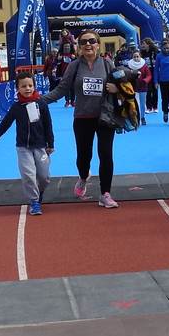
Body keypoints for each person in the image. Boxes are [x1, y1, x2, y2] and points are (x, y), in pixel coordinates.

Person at [40, 30, 121, 208]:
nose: (88, 44)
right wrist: (39, 100)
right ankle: (83, 177)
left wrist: (116, 89)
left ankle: (105, 194)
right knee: (84, 156)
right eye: (84, 42)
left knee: (106, 155)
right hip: (83, 117)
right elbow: (61, 89)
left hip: (105, 118)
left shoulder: (107, 64)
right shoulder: (74, 66)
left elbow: (122, 85)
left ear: (98, 44)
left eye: (92, 41)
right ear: (79, 46)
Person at [0, 74, 55, 215]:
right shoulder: (16, 107)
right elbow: (6, 122)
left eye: (30, 86)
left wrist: (51, 143)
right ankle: (34, 201)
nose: (27, 88)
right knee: (28, 175)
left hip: (41, 146)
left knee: (44, 177)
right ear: (17, 88)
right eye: (23, 86)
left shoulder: (42, 104)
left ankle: (40, 192)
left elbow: (48, 125)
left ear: (34, 86)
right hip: (23, 148)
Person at [127, 46, 149, 123]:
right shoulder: (129, 65)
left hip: (143, 87)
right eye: (134, 57)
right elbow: (127, 75)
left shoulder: (144, 65)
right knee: (135, 104)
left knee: (142, 104)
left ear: (140, 56)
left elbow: (149, 75)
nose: (136, 58)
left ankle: (142, 117)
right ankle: (136, 118)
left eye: (137, 56)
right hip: (134, 87)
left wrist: (145, 80)